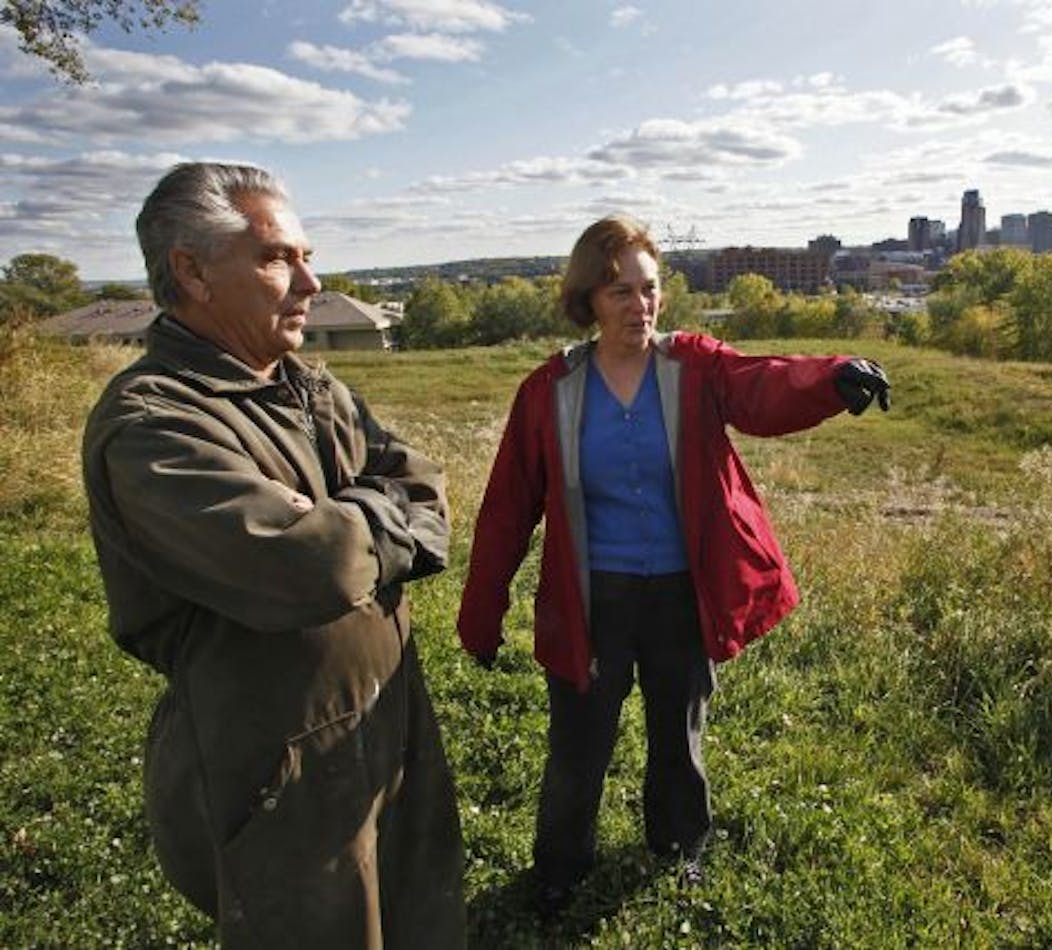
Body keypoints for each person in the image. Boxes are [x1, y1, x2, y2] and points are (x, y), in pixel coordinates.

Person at [455, 214, 890, 916]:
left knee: (677, 736)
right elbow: (507, 508)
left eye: (649, 288)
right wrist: (482, 615)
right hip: (592, 600)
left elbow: (763, 386)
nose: (640, 305)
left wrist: (832, 378)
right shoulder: (550, 391)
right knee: (578, 747)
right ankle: (561, 868)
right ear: (588, 300)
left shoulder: (693, 367)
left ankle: (678, 846)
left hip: (681, 594)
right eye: (620, 291)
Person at [82, 162, 465, 948]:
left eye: (305, 256)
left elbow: (425, 488)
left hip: (389, 726)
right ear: (190, 271)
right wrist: (362, 519)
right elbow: (314, 569)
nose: (309, 282)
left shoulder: (307, 385)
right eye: (277, 258)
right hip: (278, 768)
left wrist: (348, 519)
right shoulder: (154, 423)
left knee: (420, 913)